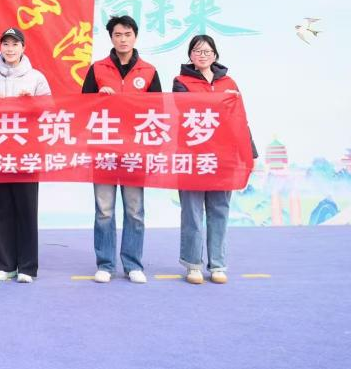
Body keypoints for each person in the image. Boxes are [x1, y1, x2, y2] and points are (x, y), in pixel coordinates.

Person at [81, 15, 161, 284]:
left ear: (135, 36)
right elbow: (81, 108)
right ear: (111, 38)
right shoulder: (97, 69)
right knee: (104, 210)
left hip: (135, 152)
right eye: (118, 34)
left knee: (135, 210)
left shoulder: (148, 71)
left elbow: (159, 111)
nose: (123, 39)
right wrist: (98, 99)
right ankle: (105, 264)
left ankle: (133, 264)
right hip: (103, 149)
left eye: (127, 34)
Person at [172, 34, 256, 285]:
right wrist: (220, 102)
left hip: (223, 156)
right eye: (197, 51)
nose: (202, 55)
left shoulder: (229, 83)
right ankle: (193, 265)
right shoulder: (180, 81)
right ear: (190, 56)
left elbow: (239, 117)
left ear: (215, 55)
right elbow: (186, 109)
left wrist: (248, 150)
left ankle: (218, 265)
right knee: (192, 212)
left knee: (219, 210)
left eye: (207, 51)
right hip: (192, 156)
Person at [0, 27, 51, 283]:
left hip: (26, 152)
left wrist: (33, 103)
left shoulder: (36, 78)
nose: (10, 49)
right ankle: (3, 264)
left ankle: (27, 267)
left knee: (26, 208)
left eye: (15, 44)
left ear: (23, 48)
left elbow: (50, 112)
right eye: (6, 44)